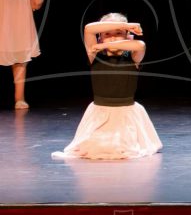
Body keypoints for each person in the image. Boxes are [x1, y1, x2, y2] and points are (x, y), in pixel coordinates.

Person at [53, 14, 162, 159]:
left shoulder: (132, 56)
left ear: (127, 36)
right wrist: (124, 26)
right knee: (95, 147)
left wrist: (104, 45)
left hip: (126, 114)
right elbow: (88, 29)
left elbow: (140, 45)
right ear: (100, 37)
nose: (113, 38)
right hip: (100, 113)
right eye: (107, 34)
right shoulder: (94, 55)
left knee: (124, 147)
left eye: (118, 33)